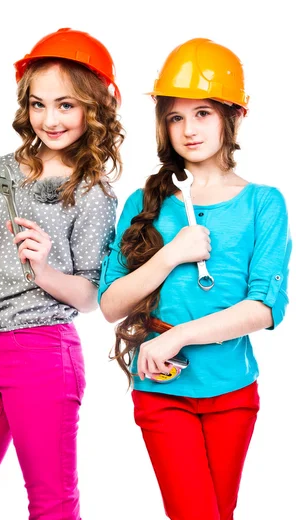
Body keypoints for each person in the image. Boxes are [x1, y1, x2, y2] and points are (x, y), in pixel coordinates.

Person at [0, 28, 124, 520]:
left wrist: (43, 266)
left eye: (66, 105)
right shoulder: (1, 171)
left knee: (51, 508)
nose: (49, 119)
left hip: (42, 353)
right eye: (38, 104)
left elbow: (89, 297)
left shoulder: (92, 193)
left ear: (93, 109)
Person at [98, 38, 291, 520]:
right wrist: (170, 256)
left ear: (235, 117)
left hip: (233, 393)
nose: (188, 129)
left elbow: (264, 308)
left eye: (203, 113)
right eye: (175, 117)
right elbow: (110, 304)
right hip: (162, 393)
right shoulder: (144, 203)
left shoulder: (263, 204)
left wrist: (179, 335)